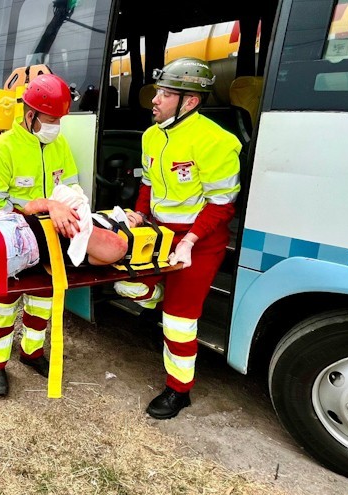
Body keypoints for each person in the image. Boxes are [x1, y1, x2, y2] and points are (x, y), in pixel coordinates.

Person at [119, 57, 241, 420]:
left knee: (179, 320)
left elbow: (222, 205)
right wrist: (140, 215)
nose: (154, 100)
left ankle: (178, 390)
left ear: (190, 101)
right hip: (159, 233)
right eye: (157, 92)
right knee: (126, 285)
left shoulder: (218, 142)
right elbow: (148, 183)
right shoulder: (151, 135)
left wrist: (188, 241)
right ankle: (157, 296)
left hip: (200, 242)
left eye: (165, 94)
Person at [0, 73, 79, 396]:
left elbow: (72, 188)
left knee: (42, 304)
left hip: (51, 242)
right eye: (51, 120)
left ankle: (32, 353)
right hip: (13, 243)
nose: (56, 127)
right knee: (3, 306)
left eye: (60, 121)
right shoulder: (2, 149)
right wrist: (34, 208)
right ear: (30, 114)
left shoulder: (59, 144)